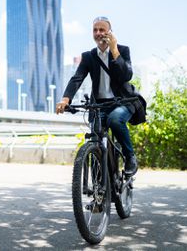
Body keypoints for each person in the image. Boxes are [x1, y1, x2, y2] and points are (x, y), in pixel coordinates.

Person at [56, 16, 138, 175]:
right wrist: (66, 99)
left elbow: (126, 76)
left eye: (102, 30)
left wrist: (114, 50)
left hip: (122, 102)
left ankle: (130, 157)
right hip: (99, 105)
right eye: (95, 30)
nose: (98, 33)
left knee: (115, 119)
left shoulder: (122, 50)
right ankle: (99, 190)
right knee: (95, 137)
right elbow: (77, 78)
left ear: (110, 32)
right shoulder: (89, 56)